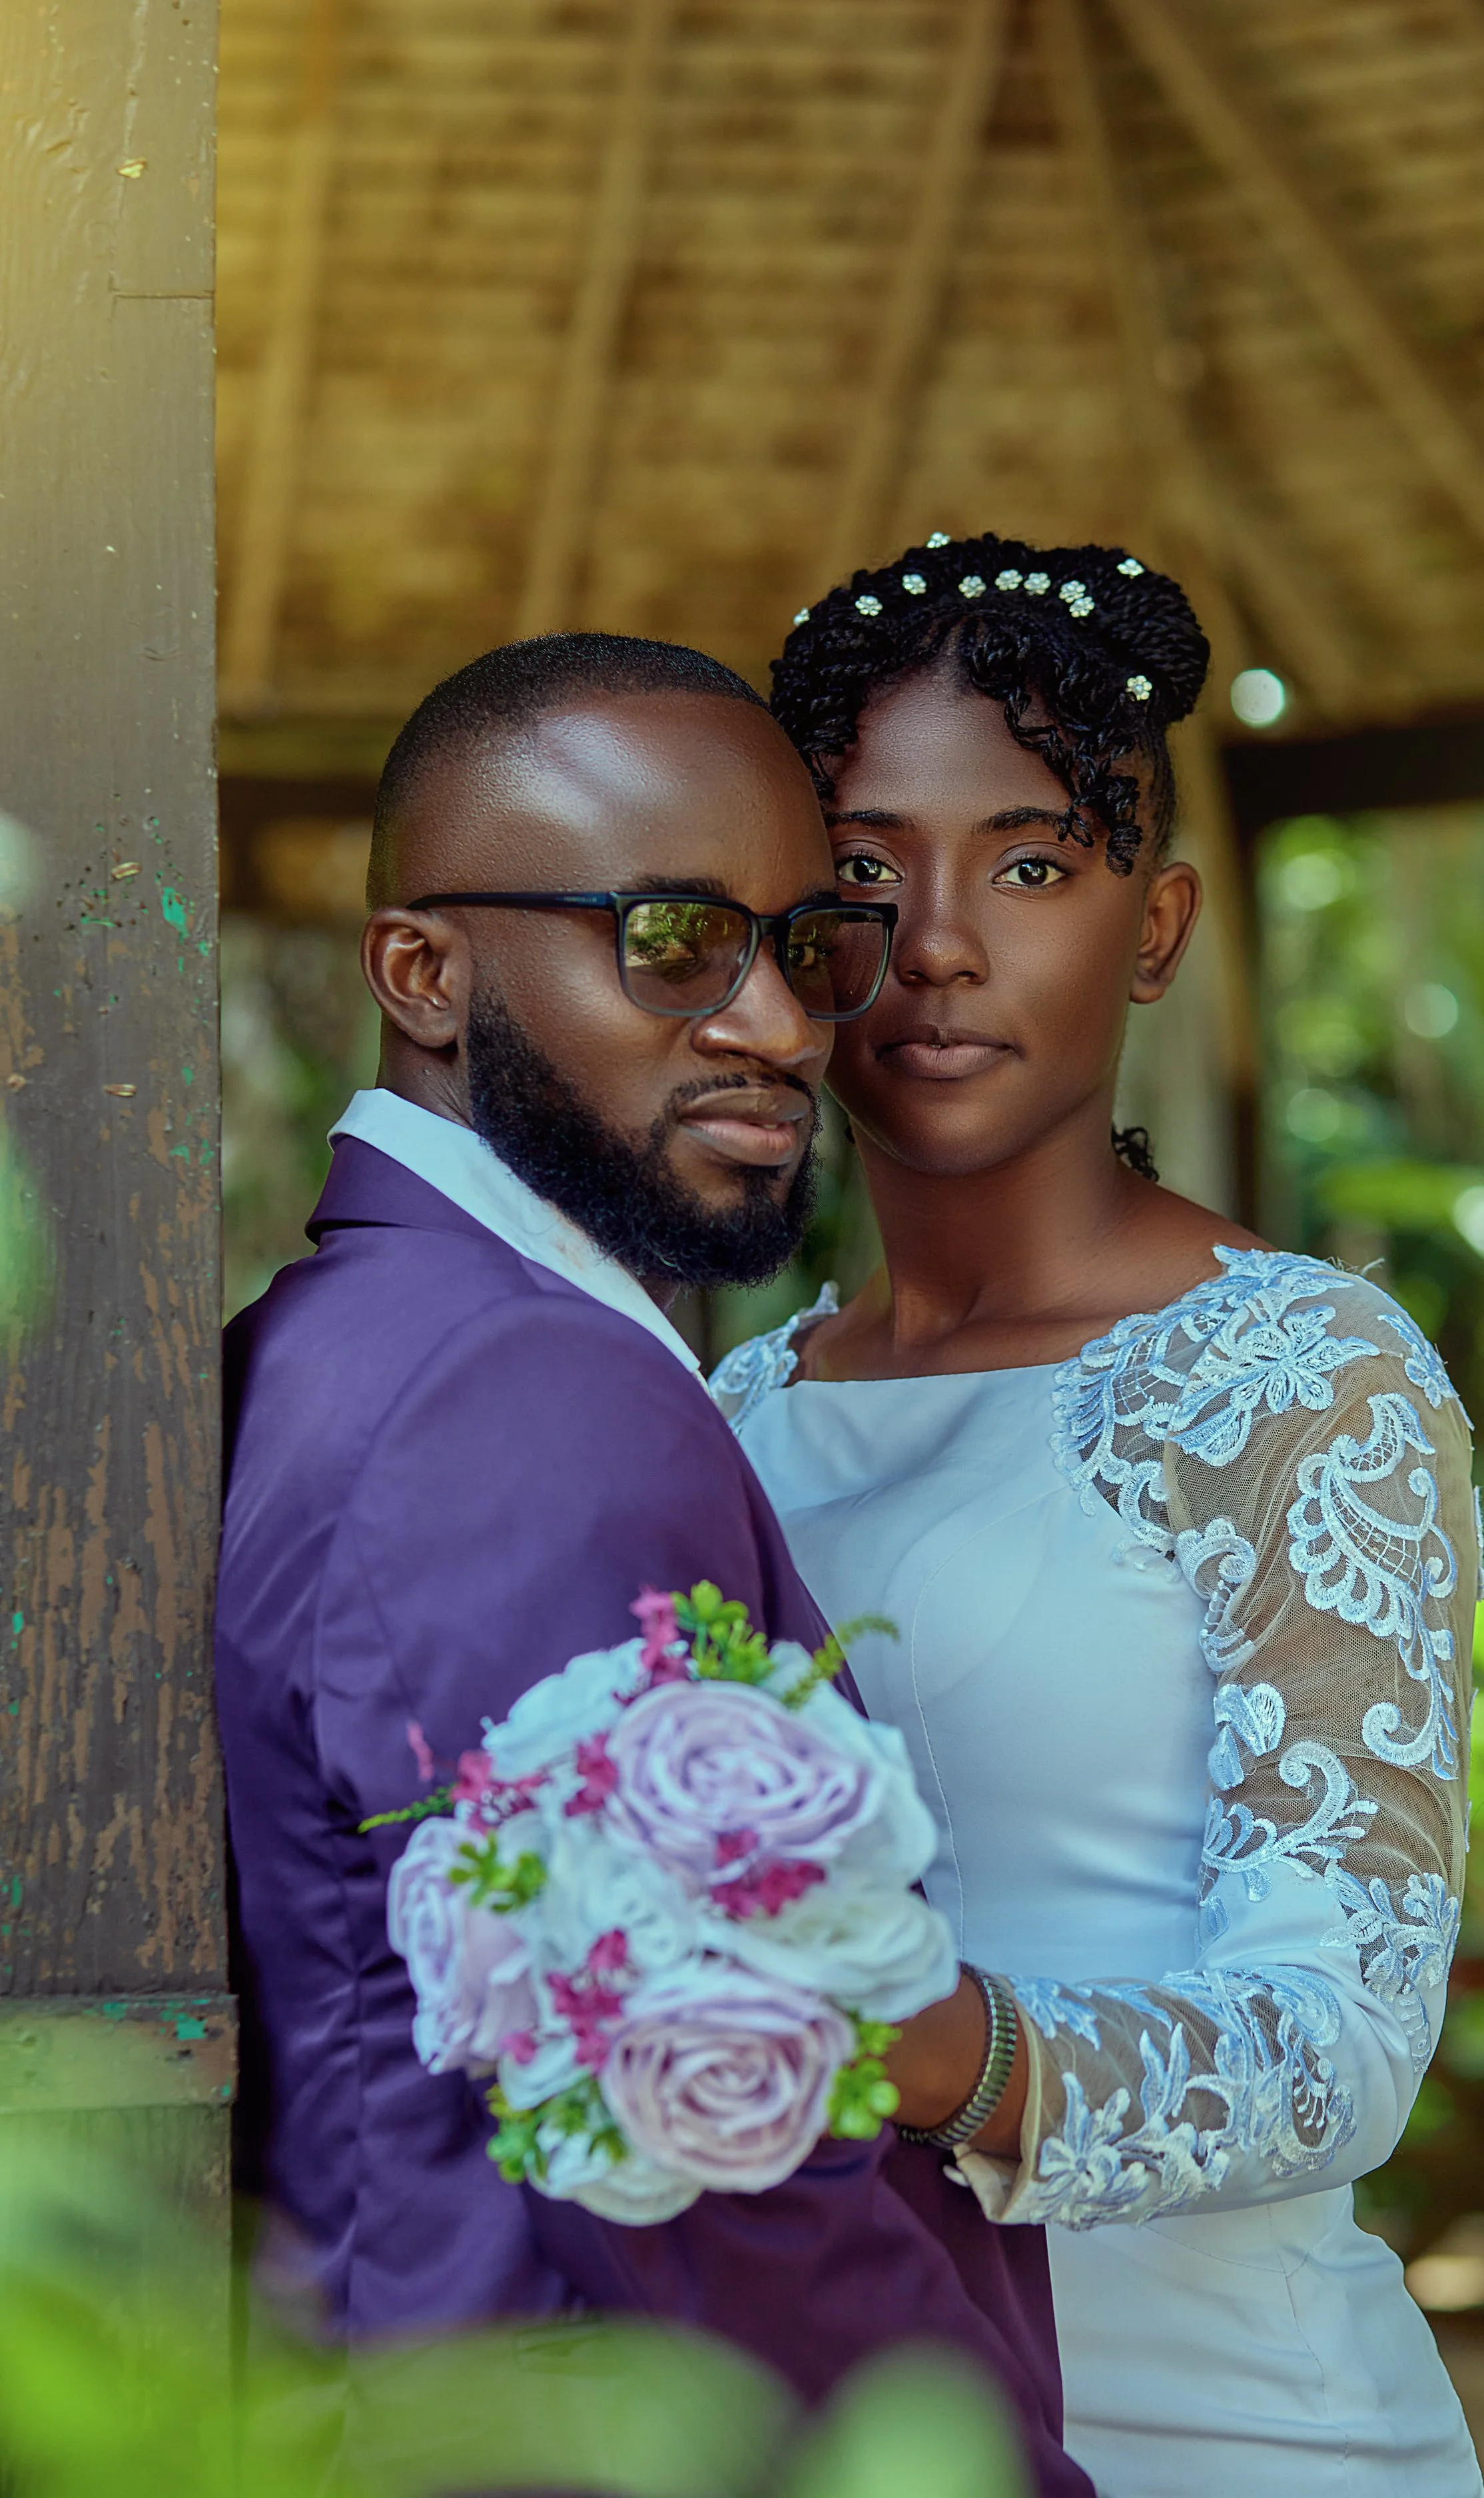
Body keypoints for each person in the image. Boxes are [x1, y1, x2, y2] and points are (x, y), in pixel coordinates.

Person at [215, 631, 1092, 2497]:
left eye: (809, 943)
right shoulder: (523, 1392)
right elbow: (697, 2139)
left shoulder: (335, 1338)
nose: (782, 1023)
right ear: (421, 972)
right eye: (676, 941)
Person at [711, 537, 1484, 2497]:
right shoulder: (725, 1414)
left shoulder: (1306, 1377)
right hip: (842, 2436)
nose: (941, 938)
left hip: (1231, 2432)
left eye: (1031, 862)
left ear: (1157, 924)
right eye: (867, 872)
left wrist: (924, 2043)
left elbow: (1344, 2030)